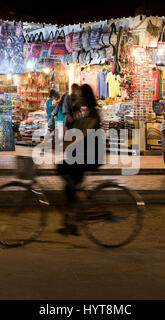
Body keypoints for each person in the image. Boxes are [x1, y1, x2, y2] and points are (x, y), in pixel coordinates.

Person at [57, 84, 105, 236]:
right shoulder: (86, 112)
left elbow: (82, 132)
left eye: (79, 95)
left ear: (85, 96)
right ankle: (71, 221)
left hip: (92, 157)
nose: (77, 97)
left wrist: (66, 144)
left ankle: (78, 204)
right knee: (69, 185)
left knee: (62, 168)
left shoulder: (93, 114)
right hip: (83, 155)